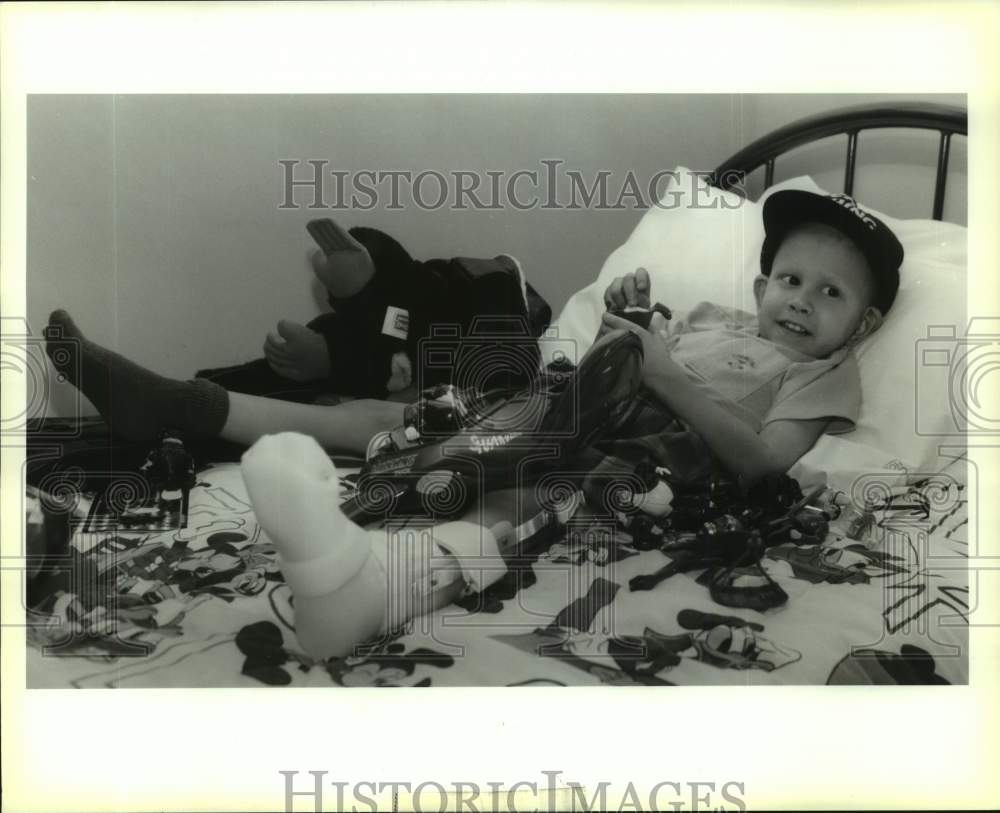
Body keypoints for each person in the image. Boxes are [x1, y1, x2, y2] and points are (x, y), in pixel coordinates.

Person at [42, 189, 903, 660]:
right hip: (581, 401)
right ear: (759, 288)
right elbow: (618, 362)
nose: (802, 304)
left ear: (860, 327)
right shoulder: (713, 318)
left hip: (655, 456)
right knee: (414, 414)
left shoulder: (826, 372)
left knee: (535, 481)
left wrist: (661, 369)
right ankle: (192, 407)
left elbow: (759, 461)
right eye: (792, 280)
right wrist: (630, 325)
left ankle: (366, 589)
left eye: (832, 296)